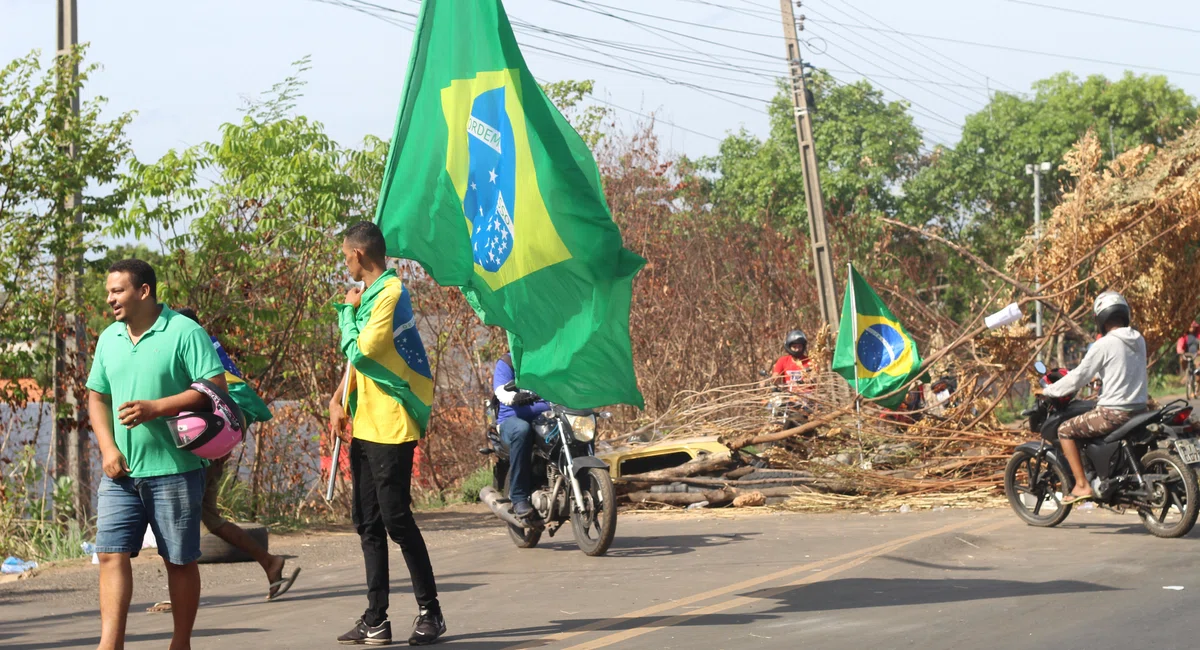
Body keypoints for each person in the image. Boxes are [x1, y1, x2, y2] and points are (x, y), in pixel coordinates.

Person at [86, 259, 228, 650]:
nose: (110, 299)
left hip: (176, 468)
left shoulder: (184, 331)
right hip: (120, 473)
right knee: (110, 554)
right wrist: (107, 448)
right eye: (109, 292)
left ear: (144, 291)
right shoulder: (108, 339)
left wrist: (157, 407)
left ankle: (179, 643)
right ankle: (109, 645)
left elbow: (215, 388)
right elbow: (96, 397)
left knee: (178, 561)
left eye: (118, 291)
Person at [328, 222, 446, 646]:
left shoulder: (391, 292)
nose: (344, 262)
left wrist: (346, 311)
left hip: (392, 423)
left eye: (345, 255)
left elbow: (361, 350)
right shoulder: (370, 296)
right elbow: (356, 367)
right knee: (368, 522)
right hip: (365, 421)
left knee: (396, 518)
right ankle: (376, 618)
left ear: (359, 255)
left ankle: (430, 611)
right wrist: (338, 398)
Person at [151, 308, 299, 608]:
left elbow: (207, 402)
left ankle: (182, 595)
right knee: (206, 516)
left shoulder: (194, 353)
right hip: (214, 445)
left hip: (207, 449)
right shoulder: (210, 349)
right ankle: (269, 562)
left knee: (186, 517)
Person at [1043, 291, 1148, 504]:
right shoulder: (1138, 339)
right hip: (1140, 410)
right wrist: (1099, 378)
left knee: (1065, 430)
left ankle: (1081, 485)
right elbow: (1122, 365)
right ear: (1124, 314)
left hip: (1113, 414)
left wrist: (1049, 391)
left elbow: (1078, 377)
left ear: (1101, 318)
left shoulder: (1104, 343)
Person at [492, 353, 551, 520]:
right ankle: (518, 497)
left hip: (547, 417)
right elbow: (501, 390)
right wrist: (515, 397)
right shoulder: (508, 361)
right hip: (511, 420)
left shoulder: (550, 359)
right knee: (522, 429)